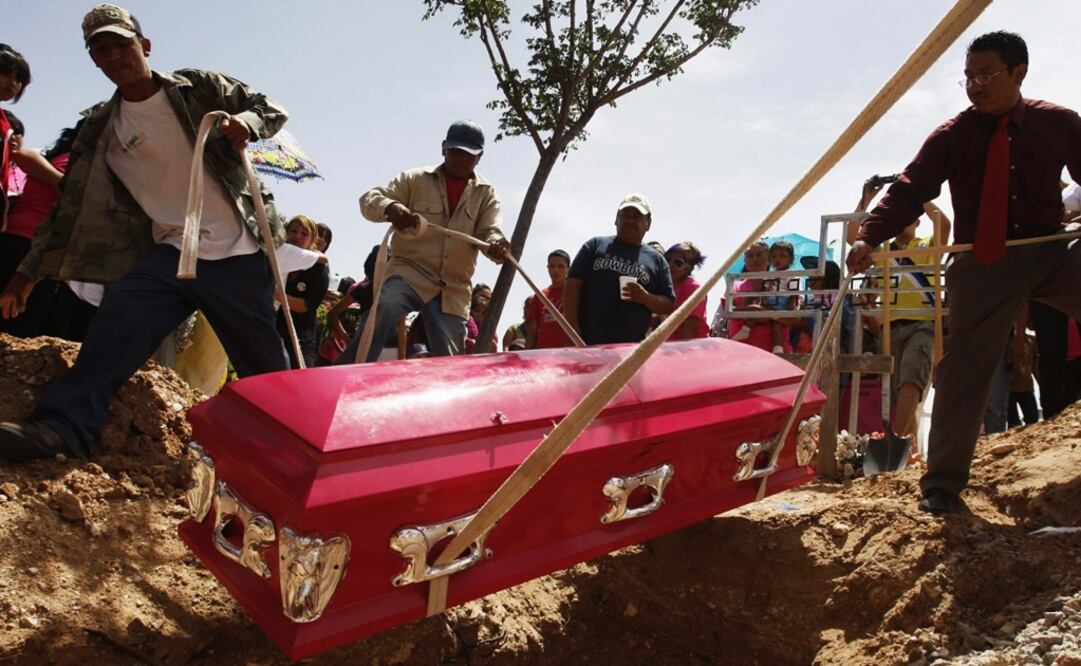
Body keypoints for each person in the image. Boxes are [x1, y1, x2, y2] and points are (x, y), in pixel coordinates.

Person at [0, 4, 290, 461]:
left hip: (236, 248)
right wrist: (26, 274)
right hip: (172, 250)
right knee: (117, 320)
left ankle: (292, 447)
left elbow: (269, 109)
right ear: (94, 60)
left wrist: (245, 124)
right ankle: (61, 428)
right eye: (101, 49)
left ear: (145, 46)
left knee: (264, 367)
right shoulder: (100, 128)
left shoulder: (198, 88)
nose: (113, 55)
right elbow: (67, 209)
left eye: (122, 44)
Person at [847, 31, 1081, 515]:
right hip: (984, 261)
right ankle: (942, 485)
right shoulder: (952, 135)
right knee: (964, 367)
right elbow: (910, 190)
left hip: (1051, 250)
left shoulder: (1058, 123)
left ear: (1020, 72)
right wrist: (870, 236)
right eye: (969, 77)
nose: (975, 86)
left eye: (987, 75)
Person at [338, 120, 510, 363]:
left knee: (449, 361)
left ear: (479, 157)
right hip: (410, 273)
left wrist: (497, 247)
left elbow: (490, 232)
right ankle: (346, 375)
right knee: (385, 305)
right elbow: (370, 199)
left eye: (469, 154)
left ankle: (449, 399)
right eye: (456, 151)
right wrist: (391, 208)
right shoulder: (414, 179)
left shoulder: (487, 194)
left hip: (453, 286)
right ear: (443, 148)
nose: (461, 158)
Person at [563, 194, 675, 345]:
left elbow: (668, 304)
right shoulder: (595, 245)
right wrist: (572, 328)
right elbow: (572, 284)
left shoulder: (657, 260)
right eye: (625, 215)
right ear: (616, 219)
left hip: (631, 352)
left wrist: (645, 297)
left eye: (636, 217)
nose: (630, 221)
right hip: (586, 344)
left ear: (648, 223)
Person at [276, 215, 329, 368]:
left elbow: (305, 306)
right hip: (272, 330)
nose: (297, 236)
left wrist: (273, 292)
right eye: (293, 231)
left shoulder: (318, 268)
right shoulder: (278, 255)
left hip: (300, 338)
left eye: (304, 234)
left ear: (312, 240)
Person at [525, 249, 571, 349]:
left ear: (568, 269)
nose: (556, 270)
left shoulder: (574, 294)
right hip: (544, 354)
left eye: (560, 266)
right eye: (552, 266)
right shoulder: (540, 296)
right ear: (548, 268)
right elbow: (532, 332)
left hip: (570, 353)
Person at [664, 242, 708, 340]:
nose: (670, 265)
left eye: (678, 263)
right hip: (669, 347)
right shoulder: (667, 286)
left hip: (688, 349)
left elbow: (689, 332)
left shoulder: (693, 288)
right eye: (667, 260)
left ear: (689, 268)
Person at [765, 240, 799, 353]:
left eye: (782, 256)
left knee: (776, 324)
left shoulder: (791, 273)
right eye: (773, 256)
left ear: (791, 259)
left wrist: (791, 306)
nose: (777, 259)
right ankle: (746, 329)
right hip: (772, 301)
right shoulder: (770, 274)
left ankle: (778, 349)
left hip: (783, 302)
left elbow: (795, 291)